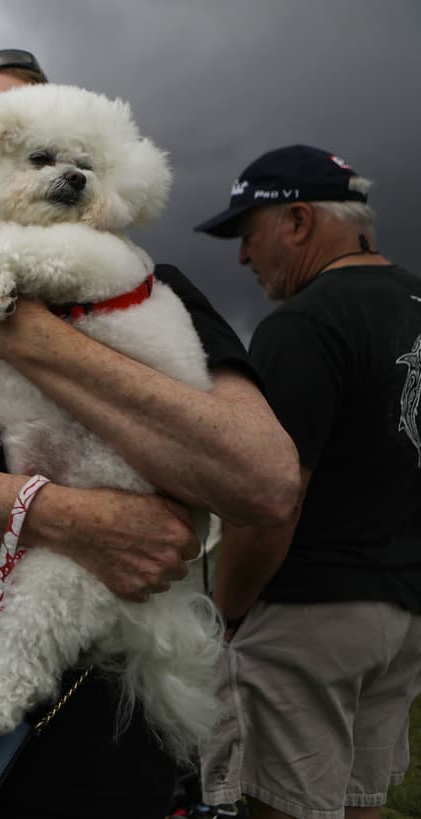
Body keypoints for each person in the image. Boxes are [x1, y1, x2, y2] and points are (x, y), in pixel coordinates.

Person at [0, 49, 301, 819]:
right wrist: (69, 519)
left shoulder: (153, 285)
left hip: (100, 746)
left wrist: (28, 338)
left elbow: (266, 478)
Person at [191, 145, 421, 819]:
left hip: (308, 615)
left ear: (296, 221)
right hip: (405, 614)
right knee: (357, 801)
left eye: (246, 232)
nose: (241, 257)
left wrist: (229, 611)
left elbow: (270, 501)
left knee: (280, 804)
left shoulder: (304, 323)